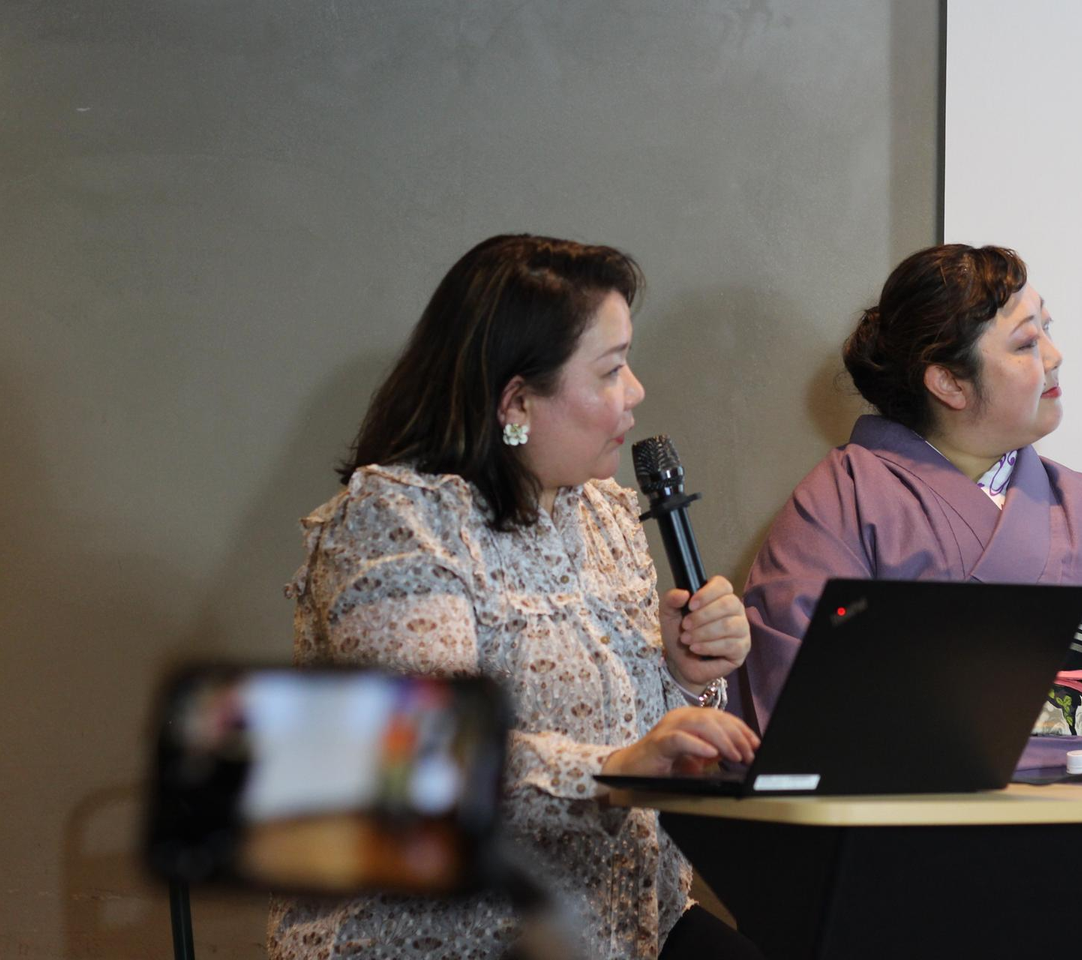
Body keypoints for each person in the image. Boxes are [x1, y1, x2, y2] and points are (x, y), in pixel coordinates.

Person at [269, 234, 764, 960]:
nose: (636, 391)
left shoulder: (604, 512)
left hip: (627, 928)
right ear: (518, 402)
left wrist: (685, 677)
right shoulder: (402, 522)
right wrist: (618, 770)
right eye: (612, 370)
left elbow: (637, 737)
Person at [735, 244, 1082, 957]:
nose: (1055, 356)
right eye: (1027, 343)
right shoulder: (842, 500)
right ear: (948, 381)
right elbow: (799, 698)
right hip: (921, 844)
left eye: (1047, 330)